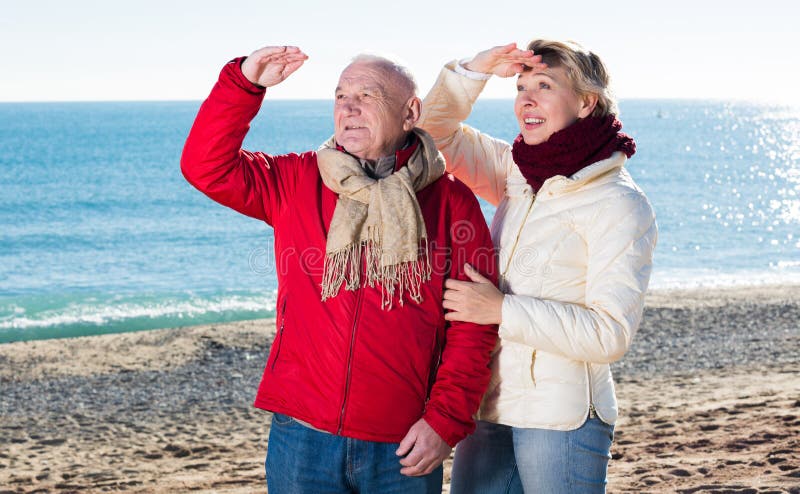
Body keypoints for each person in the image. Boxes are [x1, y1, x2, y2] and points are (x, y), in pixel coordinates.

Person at [181, 45, 498, 493]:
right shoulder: (295, 180)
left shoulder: (451, 202)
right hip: (302, 436)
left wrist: (443, 422)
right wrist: (245, 83)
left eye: (367, 96)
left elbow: (473, 326)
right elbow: (204, 166)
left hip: (404, 442)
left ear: (410, 113)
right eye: (340, 96)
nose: (348, 107)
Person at [418, 40, 658, 493]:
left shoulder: (620, 204)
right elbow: (431, 135)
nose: (526, 99)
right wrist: (475, 70)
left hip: (561, 418)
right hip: (490, 403)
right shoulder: (519, 172)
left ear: (587, 102)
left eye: (544, 86)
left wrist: (501, 310)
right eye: (522, 86)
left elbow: (610, 334)